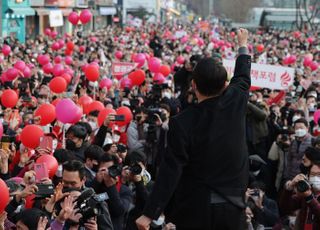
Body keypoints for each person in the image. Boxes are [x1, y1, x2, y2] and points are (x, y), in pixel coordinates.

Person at [136, 29, 251, 230]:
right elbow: (243, 74)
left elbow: (171, 170)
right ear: (225, 85)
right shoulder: (236, 101)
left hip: (196, 211)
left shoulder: (181, 123)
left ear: (194, 85)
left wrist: (149, 213)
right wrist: (242, 44)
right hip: (233, 209)